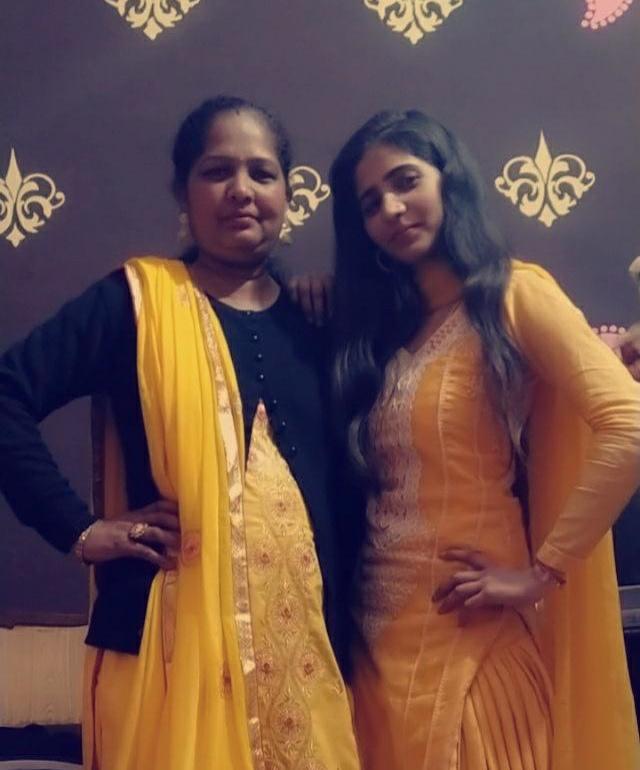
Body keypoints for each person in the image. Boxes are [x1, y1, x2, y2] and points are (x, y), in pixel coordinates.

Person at [0, 96, 360, 770]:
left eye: (262, 172)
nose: (241, 190)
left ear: (289, 194)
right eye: (217, 171)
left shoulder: (319, 321)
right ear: (183, 193)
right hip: (167, 658)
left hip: (312, 665)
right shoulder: (136, 302)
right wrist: (79, 530)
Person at [328, 109, 640, 770]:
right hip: (375, 644)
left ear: (449, 179)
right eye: (370, 203)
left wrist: (540, 574)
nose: (391, 209)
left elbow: (629, 424)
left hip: (472, 641)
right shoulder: (386, 333)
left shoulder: (513, 294)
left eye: (405, 181)